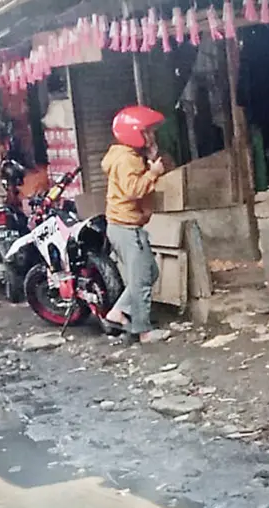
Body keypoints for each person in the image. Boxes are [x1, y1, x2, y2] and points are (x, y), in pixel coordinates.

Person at [101, 105, 170, 344]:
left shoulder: (127, 156)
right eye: (147, 132)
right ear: (133, 133)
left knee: (149, 272)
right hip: (127, 228)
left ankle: (117, 312)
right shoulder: (126, 160)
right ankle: (143, 331)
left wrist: (150, 161)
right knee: (141, 280)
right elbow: (134, 190)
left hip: (127, 226)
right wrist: (154, 173)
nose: (151, 137)